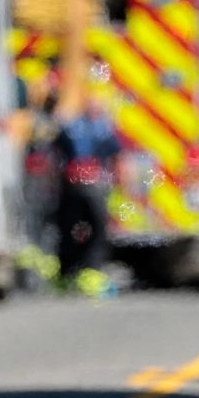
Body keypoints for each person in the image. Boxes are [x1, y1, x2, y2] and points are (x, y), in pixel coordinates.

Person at [52, 94, 121, 292]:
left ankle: (68, 273)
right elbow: (115, 156)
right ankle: (90, 270)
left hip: (72, 185)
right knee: (96, 230)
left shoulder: (70, 126)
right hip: (90, 185)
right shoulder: (102, 128)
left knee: (71, 229)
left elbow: (56, 154)